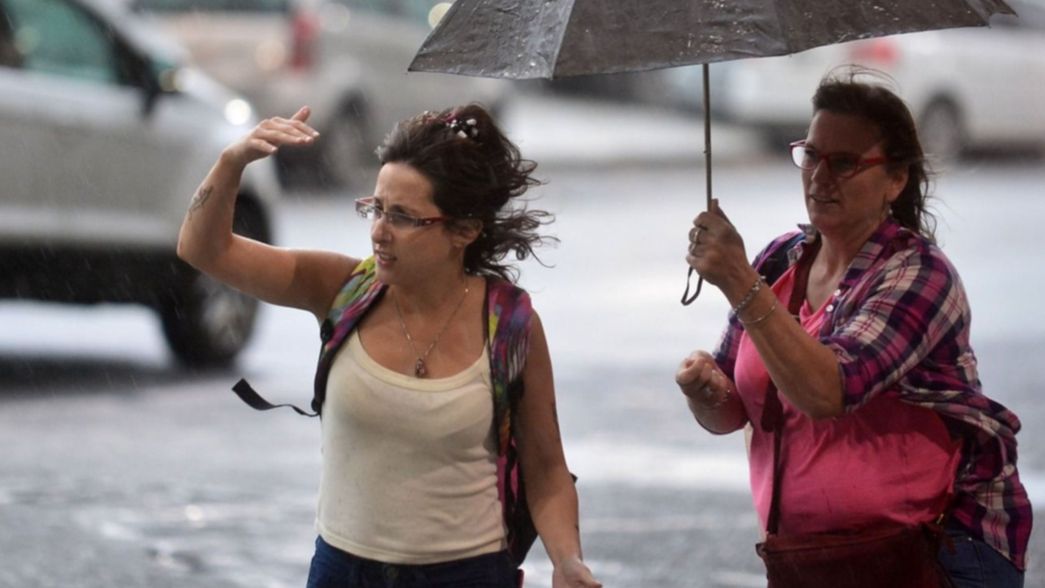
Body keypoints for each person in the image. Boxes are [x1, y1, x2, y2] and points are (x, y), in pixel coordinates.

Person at [177, 103, 601, 588]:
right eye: (375, 208)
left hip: (469, 576)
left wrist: (568, 560)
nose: (378, 231)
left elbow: (546, 469)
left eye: (402, 217)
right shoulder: (340, 288)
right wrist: (231, 162)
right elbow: (203, 249)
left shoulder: (510, 324)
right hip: (343, 572)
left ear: (463, 230)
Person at [675, 71, 1031, 587]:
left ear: (896, 178)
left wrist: (737, 280)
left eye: (845, 163)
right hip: (809, 559)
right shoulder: (779, 262)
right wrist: (703, 389)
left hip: (933, 550)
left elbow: (828, 390)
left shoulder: (918, 275)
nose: (820, 178)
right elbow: (734, 409)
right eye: (812, 155)